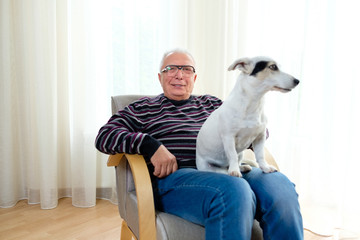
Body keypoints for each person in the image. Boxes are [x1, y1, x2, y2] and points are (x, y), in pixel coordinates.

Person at [95, 49, 303, 240]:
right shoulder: (142, 108)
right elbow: (104, 136)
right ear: (160, 77)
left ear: (194, 78)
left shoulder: (213, 104)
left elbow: (258, 132)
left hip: (230, 168)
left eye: (186, 69)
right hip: (180, 178)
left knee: (279, 186)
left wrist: (252, 122)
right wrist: (150, 145)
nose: (179, 74)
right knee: (233, 190)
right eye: (171, 69)